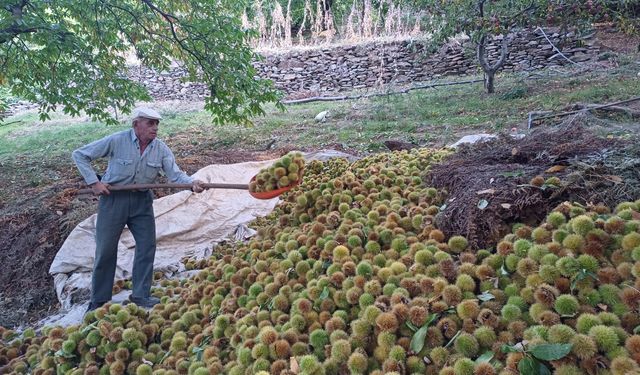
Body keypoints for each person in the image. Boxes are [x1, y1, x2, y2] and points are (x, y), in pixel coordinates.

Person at [72, 107, 205, 311]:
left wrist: (192, 183)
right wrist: (94, 183)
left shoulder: (160, 149)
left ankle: (141, 294)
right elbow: (80, 155)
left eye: (157, 124)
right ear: (136, 124)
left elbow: (175, 175)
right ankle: (99, 299)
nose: (155, 128)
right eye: (150, 123)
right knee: (106, 249)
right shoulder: (117, 141)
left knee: (146, 245)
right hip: (113, 200)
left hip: (142, 201)